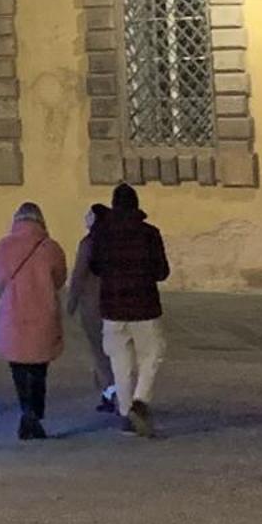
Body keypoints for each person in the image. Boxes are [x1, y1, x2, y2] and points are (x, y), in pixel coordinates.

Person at [89, 181, 170, 438]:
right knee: (153, 352)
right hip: (143, 306)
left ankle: (125, 415)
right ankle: (140, 401)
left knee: (120, 363)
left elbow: (95, 267)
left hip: (112, 307)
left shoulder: (102, 234)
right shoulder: (149, 233)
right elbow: (161, 271)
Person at [0, 199, 67, 440]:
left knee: (18, 369)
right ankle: (36, 414)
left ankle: (26, 412)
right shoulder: (51, 247)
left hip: (13, 314)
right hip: (43, 312)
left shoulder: (4, 247)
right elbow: (60, 279)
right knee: (40, 369)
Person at [65, 204, 118, 413]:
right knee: (115, 352)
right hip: (114, 304)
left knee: (99, 353)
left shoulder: (89, 244)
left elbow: (78, 275)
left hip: (93, 306)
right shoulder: (115, 243)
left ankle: (110, 392)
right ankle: (116, 391)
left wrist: (71, 302)